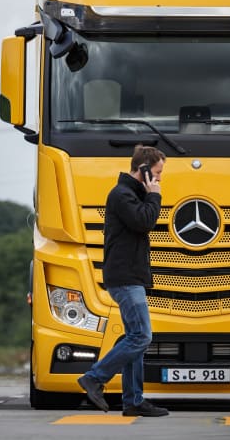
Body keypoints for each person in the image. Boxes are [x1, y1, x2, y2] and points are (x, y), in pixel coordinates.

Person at [77, 144, 169, 417]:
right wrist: (155, 196)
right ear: (143, 171)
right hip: (125, 278)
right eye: (158, 172)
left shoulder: (131, 194)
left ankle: (133, 401)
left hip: (129, 277)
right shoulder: (122, 195)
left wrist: (148, 194)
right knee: (142, 335)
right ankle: (95, 377)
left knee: (134, 337)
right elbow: (145, 222)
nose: (160, 178)